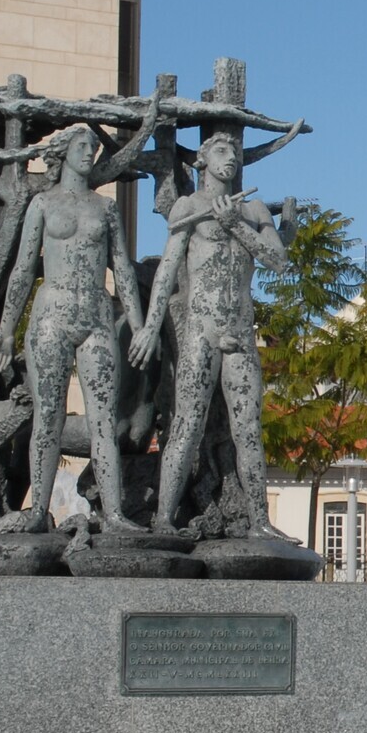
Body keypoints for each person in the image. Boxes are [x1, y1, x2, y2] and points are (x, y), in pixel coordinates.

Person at [0, 123, 146, 533]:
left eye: (93, 146)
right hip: (51, 314)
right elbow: (23, 269)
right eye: (81, 145)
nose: (89, 152)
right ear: (62, 153)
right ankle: (38, 511)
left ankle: (114, 513)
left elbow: (122, 268)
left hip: (96, 314)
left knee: (104, 420)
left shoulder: (105, 208)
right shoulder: (42, 204)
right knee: (48, 416)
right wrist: (7, 327)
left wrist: (139, 324)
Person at [130, 130, 289, 534]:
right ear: (202, 161)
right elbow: (167, 269)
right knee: (186, 425)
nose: (230, 157)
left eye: (235, 151)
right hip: (202, 330)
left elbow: (278, 260)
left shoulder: (253, 210)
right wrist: (149, 326)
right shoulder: (189, 206)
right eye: (221, 150)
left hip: (240, 333)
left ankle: (260, 522)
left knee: (249, 431)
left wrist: (236, 226)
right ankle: (164, 518)